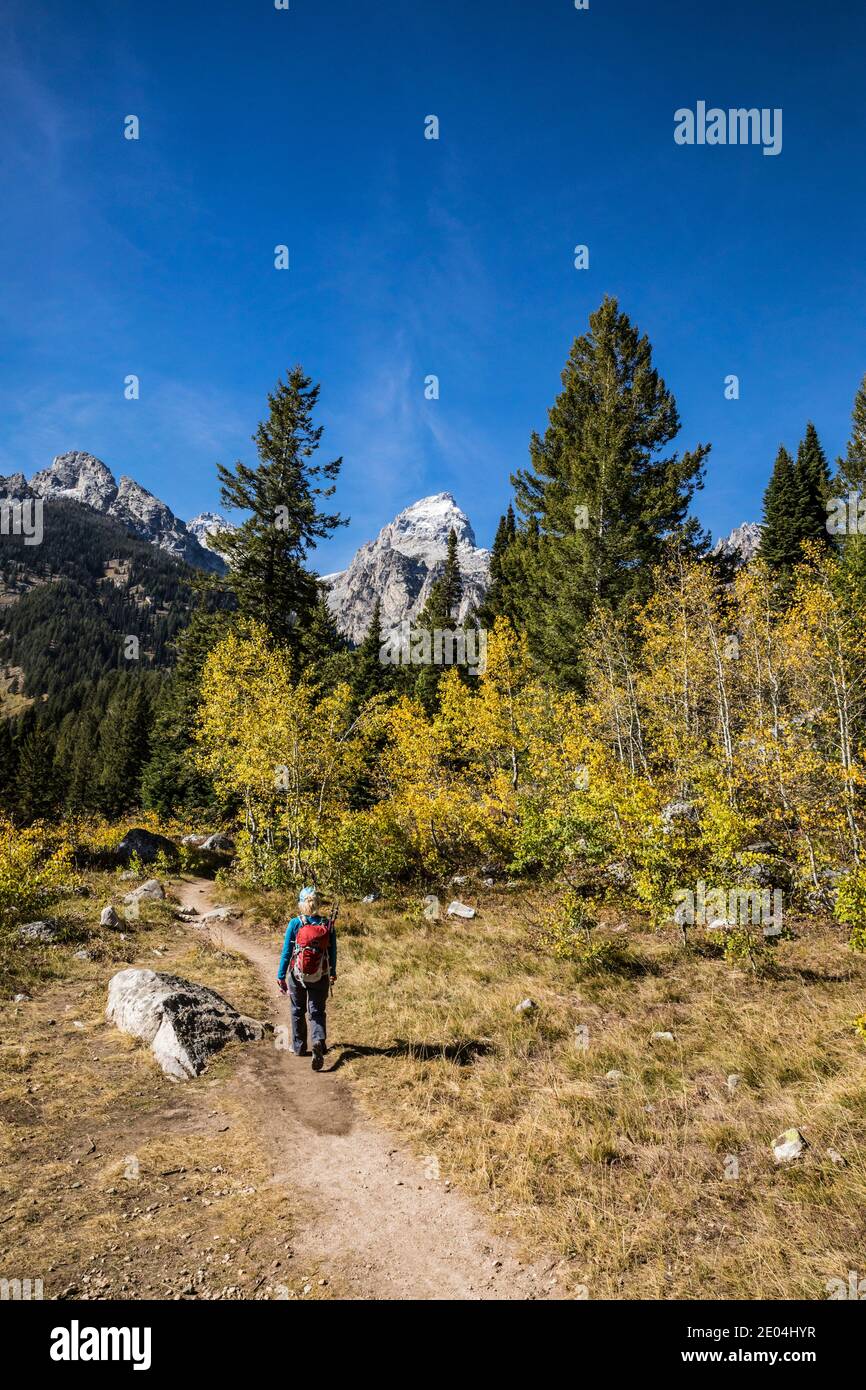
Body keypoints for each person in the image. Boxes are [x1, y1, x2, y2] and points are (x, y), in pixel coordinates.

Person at [277, 886, 337, 1071]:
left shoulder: (295, 923)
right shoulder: (327, 924)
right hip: (321, 974)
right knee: (317, 1011)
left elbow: (287, 952)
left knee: (297, 1010)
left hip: (297, 975)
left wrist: (281, 976)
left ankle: (299, 1047)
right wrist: (332, 971)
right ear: (318, 903)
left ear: (301, 903)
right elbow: (332, 951)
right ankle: (318, 1041)